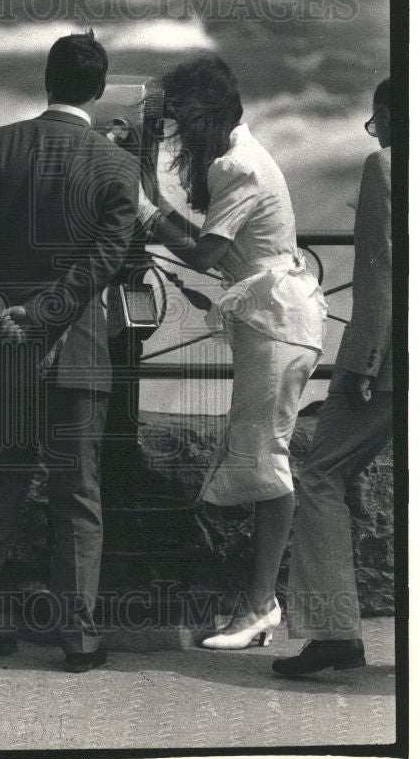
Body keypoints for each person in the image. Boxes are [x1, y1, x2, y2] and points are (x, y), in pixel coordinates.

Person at [0, 31, 139, 672]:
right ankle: (78, 642)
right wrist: (49, 312)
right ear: (100, 89)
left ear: (46, 80)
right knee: (76, 499)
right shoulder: (116, 165)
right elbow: (106, 258)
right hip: (75, 354)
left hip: (0, 351)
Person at [139, 56, 327, 649]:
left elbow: (202, 256)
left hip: (278, 323)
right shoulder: (237, 156)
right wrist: (154, 202)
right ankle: (258, 601)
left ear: (202, 115)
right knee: (257, 454)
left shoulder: (238, 166)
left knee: (264, 458)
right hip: (274, 318)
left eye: (176, 117)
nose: (172, 132)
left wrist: (147, 208)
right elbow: (216, 250)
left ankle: (259, 607)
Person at [273, 78, 392, 677]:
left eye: (378, 120)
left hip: (393, 360)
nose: (377, 133)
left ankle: (331, 632)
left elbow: (380, 269)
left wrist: (363, 362)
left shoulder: (387, 165)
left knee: (321, 475)